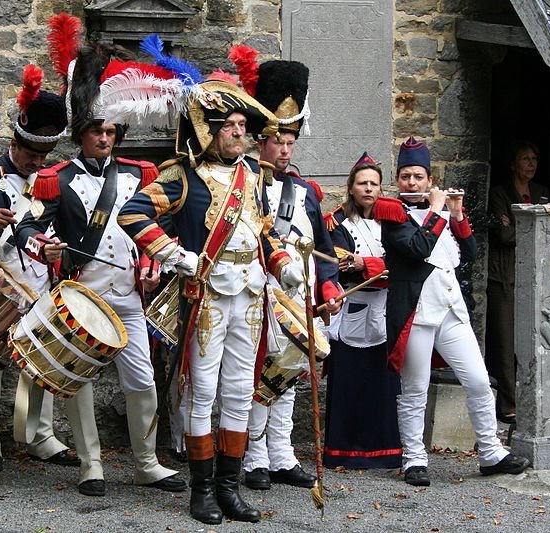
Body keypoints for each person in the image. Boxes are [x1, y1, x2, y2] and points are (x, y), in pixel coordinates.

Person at [119, 78, 306, 524]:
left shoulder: (254, 175)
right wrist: (174, 253)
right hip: (207, 295)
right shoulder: (181, 175)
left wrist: (283, 264)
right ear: (211, 130)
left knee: (240, 394)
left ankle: (229, 488)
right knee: (203, 394)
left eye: (244, 125)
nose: (242, 133)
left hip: (251, 294)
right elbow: (132, 213)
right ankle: (201, 490)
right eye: (234, 125)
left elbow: (260, 231)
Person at [15, 42, 185, 498]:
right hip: (82, 295)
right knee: (82, 381)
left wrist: (153, 265)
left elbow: (159, 227)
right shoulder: (56, 177)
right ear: (82, 133)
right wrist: (43, 246)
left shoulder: (142, 174)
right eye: (96, 131)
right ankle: (92, 465)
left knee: (142, 380)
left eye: (111, 130)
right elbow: (26, 226)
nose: (105, 138)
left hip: (129, 295)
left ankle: (147, 463)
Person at [0, 65, 81, 473]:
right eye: (30, 155)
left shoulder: (53, 179)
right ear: (13, 143)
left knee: (42, 357)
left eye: (43, 157)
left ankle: (41, 436)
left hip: (40, 279)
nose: (36, 163)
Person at [375, 136, 530, 487]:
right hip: (415, 313)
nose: (411, 183)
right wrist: (435, 212)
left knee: (477, 380)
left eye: (418, 177)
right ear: (398, 180)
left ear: (430, 180)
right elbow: (416, 248)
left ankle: (490, 452)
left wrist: (457, 214)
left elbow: (472, 253)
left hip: (449, 311)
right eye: (405, 177)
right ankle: (414, 458)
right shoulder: (392, 213)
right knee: (414, 389)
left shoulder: (441, 214)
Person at [234, 58, 342, 491]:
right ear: (261, 142)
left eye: (290, 141)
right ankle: (254, 457)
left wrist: (329, 288)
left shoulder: (306, 192)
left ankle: (282, 453)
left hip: (300, 296)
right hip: (259, 294)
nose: (283, 149)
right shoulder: (242, 185)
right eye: (276, 141)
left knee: (292, 373)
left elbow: (326, 251)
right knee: (261, 377)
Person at [322, 153, 401, 469]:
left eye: (374, 183)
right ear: (351, 187)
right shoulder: (337, 223)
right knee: (349, 385)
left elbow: (404, 264)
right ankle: (344, 451)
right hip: (352, 311)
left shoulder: (393, 223)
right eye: (362, 183)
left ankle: (384, 451)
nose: (368, 189)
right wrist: (377, 269)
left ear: (381, 188)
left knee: (381, 387)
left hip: (384, 311)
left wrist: (370, 265)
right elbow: (343, 266)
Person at [486, 140, 549, 425]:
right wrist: (521, 228)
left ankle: (536, 401)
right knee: (504, 340)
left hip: (537, 274)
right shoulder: (500, 193)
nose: (531, 163)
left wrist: (514, 225)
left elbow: (547, 233)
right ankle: (509, 403)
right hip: (505, 275)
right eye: (525, 158)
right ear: (513, 163)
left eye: (534, 158)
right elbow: (502, 236)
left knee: (538, 338)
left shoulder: (542, 193)